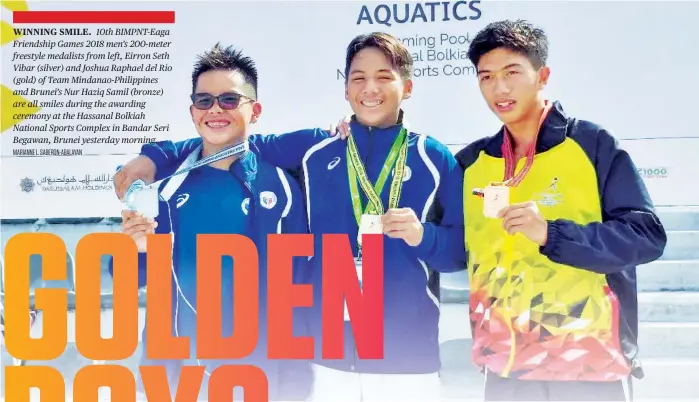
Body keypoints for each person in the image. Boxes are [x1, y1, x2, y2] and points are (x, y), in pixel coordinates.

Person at [113, 32, 466, 401]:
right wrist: (152, 156)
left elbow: (458, 253)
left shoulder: (434, 157)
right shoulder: (315, 149)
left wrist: (422, 236)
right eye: (359, 78)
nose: (370, 88)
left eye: (384, 77)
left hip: (408, 359)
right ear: (345, 89)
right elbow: (226, 141)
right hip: (327, 365)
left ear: (407, 87)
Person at [454, 20, 667, 401]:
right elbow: (444, 240)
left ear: (543, 75)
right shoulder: (472, 162)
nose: (499, 88)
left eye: (512, 73)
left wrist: (552, 234)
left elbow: (646, 236)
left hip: (587, 365)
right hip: (506, 368)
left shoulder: (591, 144)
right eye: (486, 77)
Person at [112, 43, 312, 401]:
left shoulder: (283, 189)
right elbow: (128, 278)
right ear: (193, 112)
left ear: (256, 110)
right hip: (178, 379)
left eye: (230, 100)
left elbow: (299, 288)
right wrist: (136, 248)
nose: (216, 109)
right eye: (204, 101)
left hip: (262, 376)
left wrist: (296, 380)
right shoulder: (164, 190)